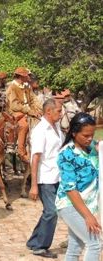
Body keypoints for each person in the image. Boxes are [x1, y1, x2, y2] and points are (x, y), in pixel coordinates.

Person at [56, 112, 101, 260]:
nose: (90, 139)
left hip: (85, 204)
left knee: (75, 246)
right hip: (70, 204)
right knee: (94, 243)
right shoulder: (66, 154)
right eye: (85, 135)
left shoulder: (93, 148)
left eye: (92, 135)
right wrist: (88, 216)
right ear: (74, 133)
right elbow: (70, 189)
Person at [26, 98, 64, 258]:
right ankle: (40, 247)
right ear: (48, 111)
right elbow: (35, 158)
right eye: (59, 111)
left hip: (56, 176)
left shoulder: (55, 127)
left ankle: (34, 240)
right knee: (51, 212)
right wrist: (34, 185)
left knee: (50, 211)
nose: (61, 114)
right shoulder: (41, 130)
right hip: (45, 178)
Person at [6, 67, 42, 163]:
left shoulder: (27, 86)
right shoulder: (12, 87)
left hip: (29, 110)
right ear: (21, 76)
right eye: (27, 76)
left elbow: (33, 99)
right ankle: (21, 152)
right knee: (24, 125)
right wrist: (28, 111)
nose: (29, 77)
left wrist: (39, 109)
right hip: (16, 111)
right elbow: (14, 105)